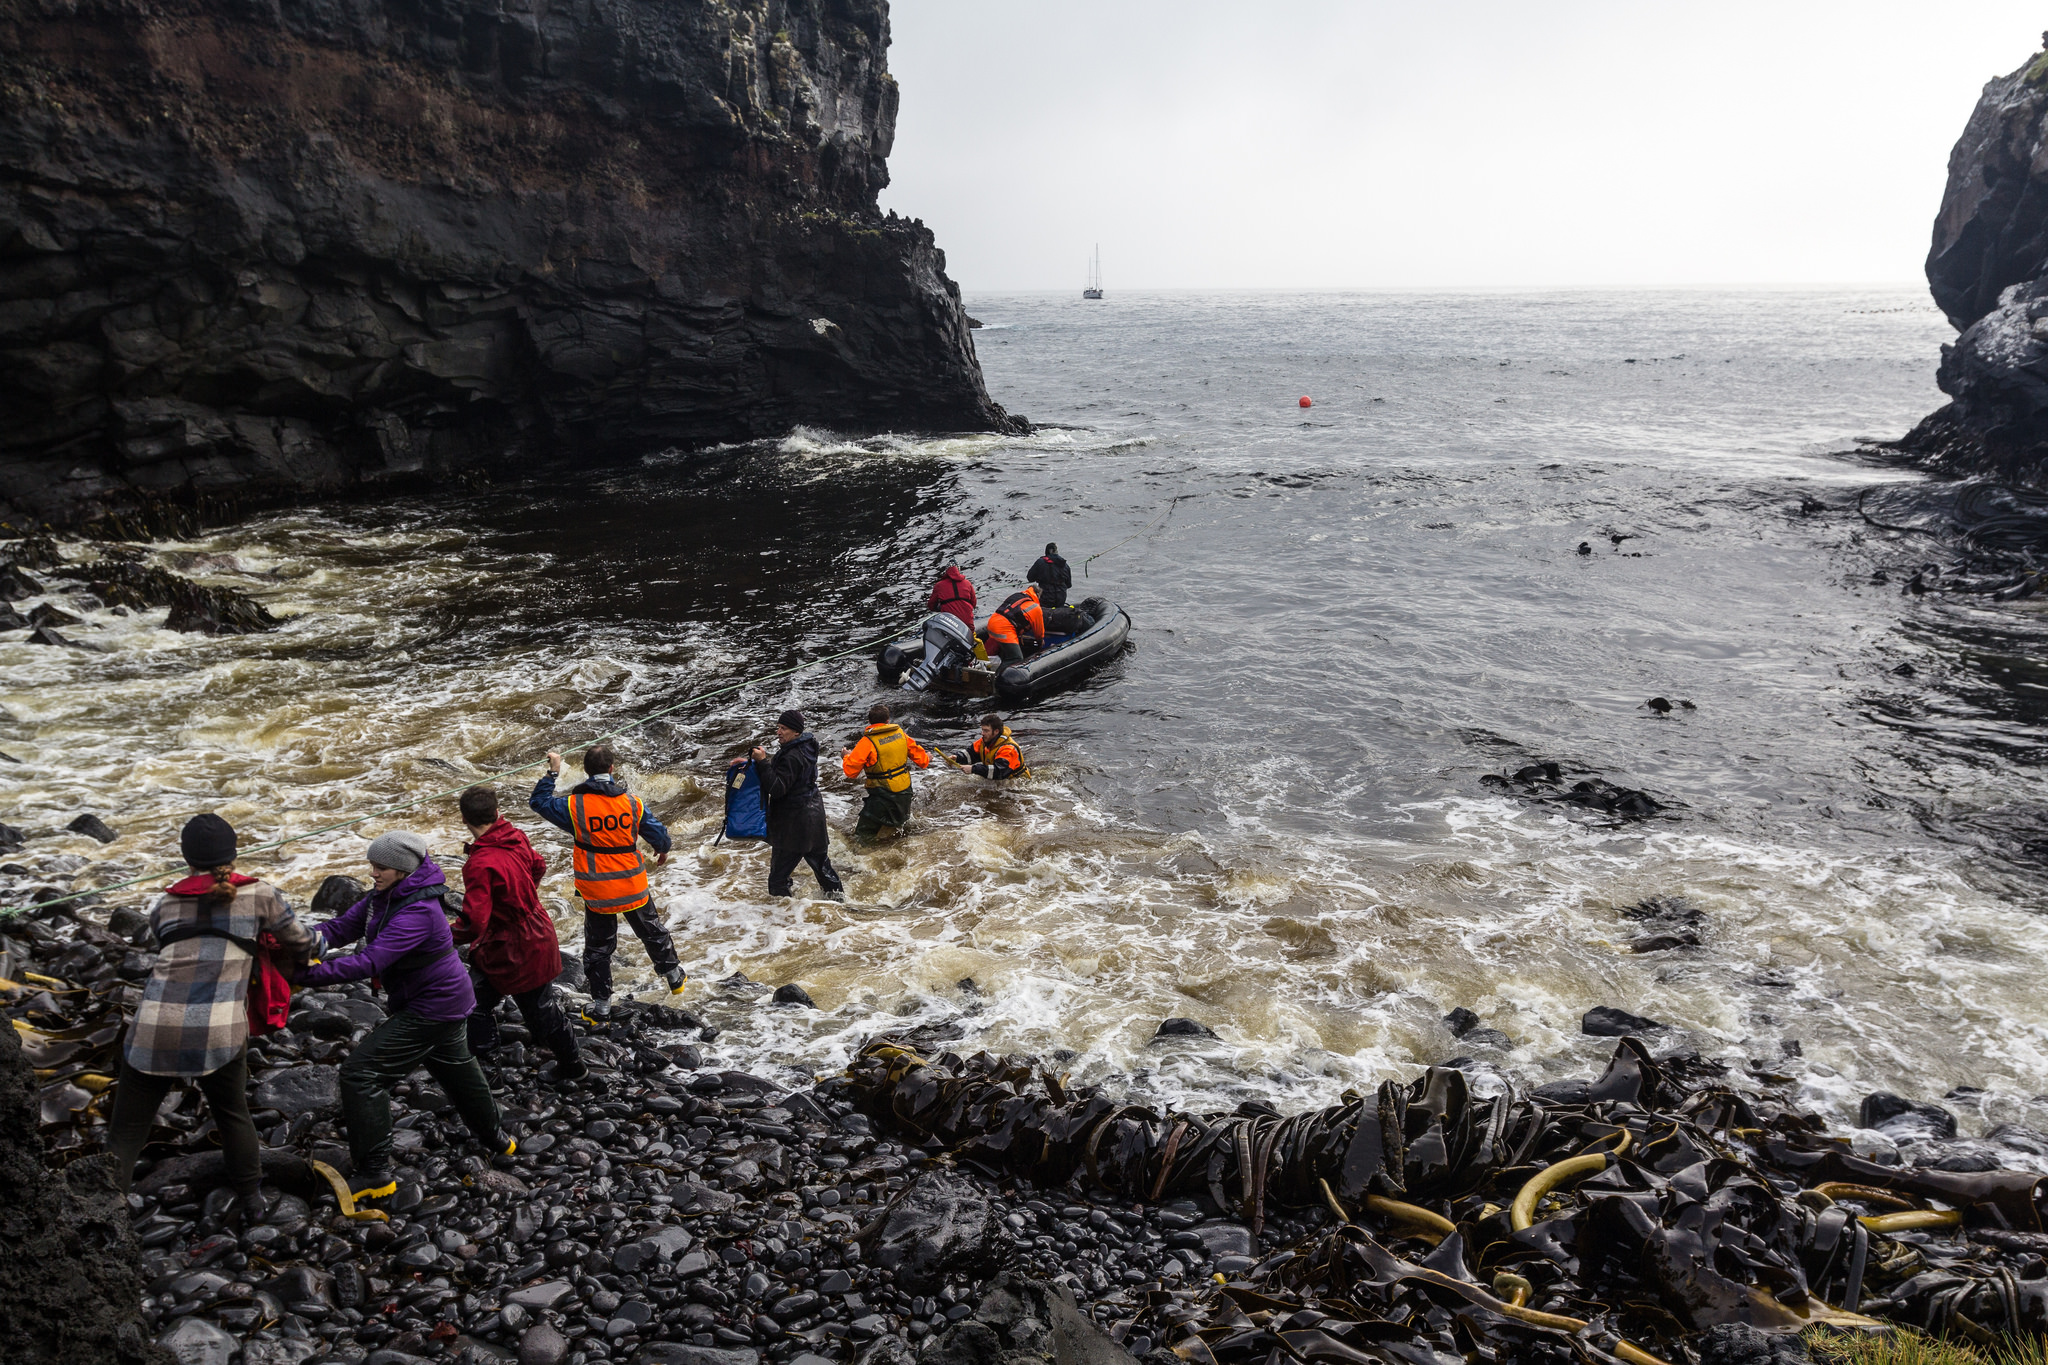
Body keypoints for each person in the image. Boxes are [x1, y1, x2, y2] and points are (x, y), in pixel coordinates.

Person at [105, 814, 315, 1215]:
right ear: (233, 854)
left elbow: (161, 945)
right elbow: (300, 941)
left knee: (127, 1131)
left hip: (153, 1028)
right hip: (218, 1032)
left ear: (187, 857)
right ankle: (252, 1199)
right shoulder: (260, 895)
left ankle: (105, 1210)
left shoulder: (164, 904)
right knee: (232, 1113)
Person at [300, 831, 512, 1204]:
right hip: (441, 1001)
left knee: (361, 1074)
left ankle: (374, 1173)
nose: (373, 873)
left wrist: (301, 976)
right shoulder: (381, 898)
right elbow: (338, 929)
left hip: (433, 1006)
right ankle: (498, 1140)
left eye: (380, 867)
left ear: (402, 870)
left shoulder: (418, 912)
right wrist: (296, 940)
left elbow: (370, 962)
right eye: (372, 866)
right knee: (457, 1070)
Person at [529, 743, 682, 1021]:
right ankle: (674, 976)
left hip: (598, 890)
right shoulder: (632, 803)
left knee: (599, 949)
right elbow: (658, 834)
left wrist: (553, 772)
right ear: (612, 770)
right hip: (633, 885)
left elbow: (538, 802)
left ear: (586, 772)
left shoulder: (575, 806)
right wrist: (663, 849)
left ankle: (601, 1007)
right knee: (652, 931)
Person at [453, 785, 586, 1082]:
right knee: (535, 1006)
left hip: (511, 945)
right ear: (497, 812)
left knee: (479, 1005)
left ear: (464, 820)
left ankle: (491, 1077)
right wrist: (522, 897)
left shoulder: (479, 863)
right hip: (536, 930)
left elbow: (473, 922)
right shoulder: (515, 836)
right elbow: (538, 865)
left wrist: (445, 936)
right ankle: (572, 1064)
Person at [731, 710, 845, 900]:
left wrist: (762, 762)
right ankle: (839, 904)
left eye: (784, 728)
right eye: (778, 728)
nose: (779, 732)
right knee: (822, 868)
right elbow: (784, 774)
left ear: (796, 732)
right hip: (814, 818)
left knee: (777, 879)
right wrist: (753, 764)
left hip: (794, 825)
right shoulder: (806, 748)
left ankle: (782, 918)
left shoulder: (792, 755)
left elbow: (777, 788)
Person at [842, 702, 931, 839]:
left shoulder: (867, 742)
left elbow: (850, 771)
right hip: (905, 792)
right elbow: (923, 761)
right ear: (887, 721)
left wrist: (846, 756)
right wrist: (928, 756)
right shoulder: (901, 735)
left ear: (869, 722)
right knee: (899, 829)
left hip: (883, 796)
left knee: (862, 835)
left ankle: (866, 858)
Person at [979, 583, 1044, 665]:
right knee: (1016, 658)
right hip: (1004, 631)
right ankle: (997, 676)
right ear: (1038, 595)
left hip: (992, 623)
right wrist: (1040, 642)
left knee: (1005, 648)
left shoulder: (1016, 596)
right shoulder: (1035, 607)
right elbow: (1039, 632)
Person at [952, 712, 1026, 780]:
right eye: (982, 730)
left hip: (1018, 783)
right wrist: (957, 757)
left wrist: (973, 769)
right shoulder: (985, 741)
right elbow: (971, 753)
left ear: (996, 731)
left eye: (986, 731)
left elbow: (998, 772)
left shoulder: (1008, 749)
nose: (982, 733)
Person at [927, 562, 977, 630]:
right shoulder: (967, 583)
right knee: (971, 635)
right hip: (967, 621)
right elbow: (974, 602)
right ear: (959, 570)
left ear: (946, 572)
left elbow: (931, 605)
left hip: (950, 621)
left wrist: (940, 608)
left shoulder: (939, 585)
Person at [1027, 543, 1072, 609]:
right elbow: (1069, 585)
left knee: (1045, 614)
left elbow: (1030, 578)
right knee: (1058, 614)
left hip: (1046, 597)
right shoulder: (1065, 565)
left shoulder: (1040, 562)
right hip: (1061, 596)